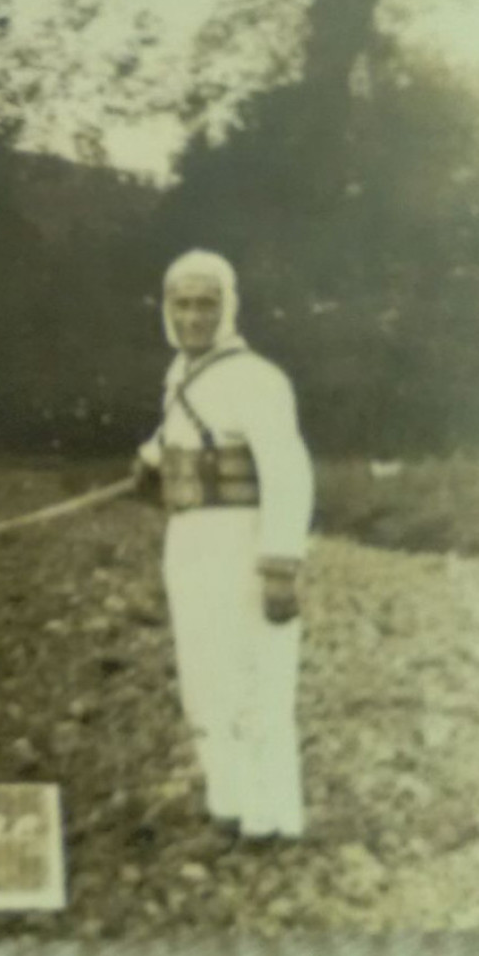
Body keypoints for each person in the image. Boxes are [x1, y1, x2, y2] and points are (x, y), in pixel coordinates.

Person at [132, 249, 315, 840]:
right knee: (205, 680)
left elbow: (289, 472)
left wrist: (280, 566)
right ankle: (230, 804)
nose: (192, 317)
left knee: (256, 680)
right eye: (181, 304)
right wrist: (147, 462)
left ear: (228, 307)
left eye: (206, 304)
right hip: (189, 544)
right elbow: (178, 437)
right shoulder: (180, 376)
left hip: (243, 544)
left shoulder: (258, 379)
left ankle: (271, 820)